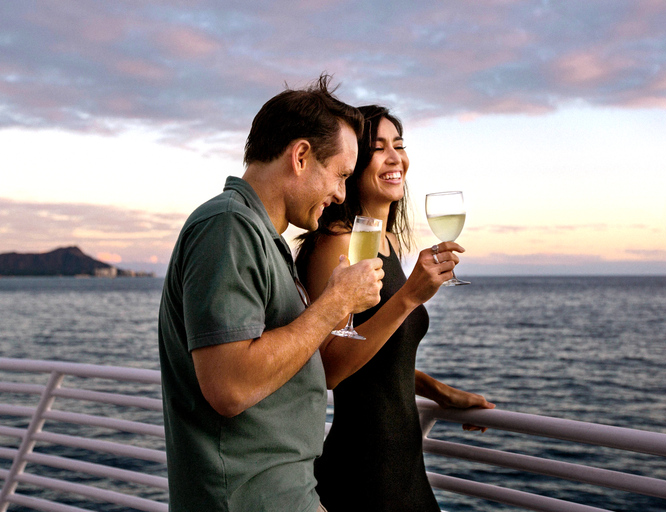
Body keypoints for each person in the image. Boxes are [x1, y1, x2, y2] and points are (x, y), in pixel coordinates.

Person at [158, 75, 384, 512]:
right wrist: (333, 304)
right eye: (339, 175)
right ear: (300, 156)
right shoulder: (228, 226)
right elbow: (229, 386)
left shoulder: (259, 235)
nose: (341, 195)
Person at [295, 105, 495, 512]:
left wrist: (439, 391)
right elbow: (329, 369)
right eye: (378, 148)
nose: (395, 158)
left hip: (405, 470)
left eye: (399, 146)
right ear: (351, 163)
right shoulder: (336, 243)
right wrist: (409, 298)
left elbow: (380, 360)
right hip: (363, 476)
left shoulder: (385, 243)